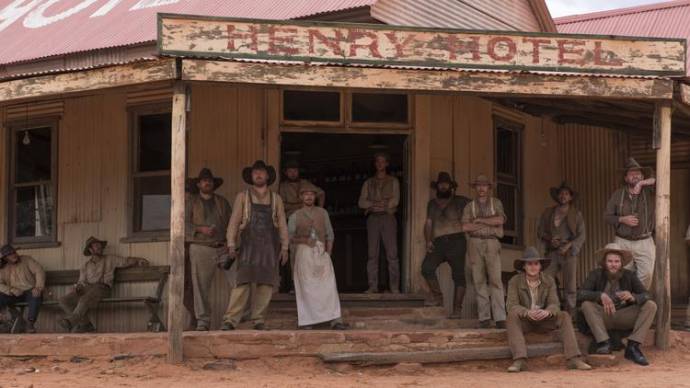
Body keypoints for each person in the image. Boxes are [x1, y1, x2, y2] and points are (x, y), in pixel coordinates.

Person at [223, 160, 289, 330]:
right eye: (255, 172)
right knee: (242, 283)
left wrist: (285, 247)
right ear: (251, 176)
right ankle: (230, 320)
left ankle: (258, 319)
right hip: (247, 246)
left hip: (269, 247)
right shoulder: (242, 196)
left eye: (261, 172)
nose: (258, 175)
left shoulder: (276, 199)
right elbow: (234, 223)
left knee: (266, 284)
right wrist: (231, 244)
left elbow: (282, 224)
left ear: (267, 176)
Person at [506, 247, 591, 372]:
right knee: (511, 316)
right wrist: (527, 312)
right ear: (524, 266)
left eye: (536, 263)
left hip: (544, 320)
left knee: (564, 315)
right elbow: (511, 305)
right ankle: (520, 360)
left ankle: (574, 359)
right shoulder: (515, 281)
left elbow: (554, 303)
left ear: (540, 266)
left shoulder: (549, 281)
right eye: (529, 264)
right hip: (526, 321)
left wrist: (547, 312)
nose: (533, 267)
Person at [578, 243, 657, 366]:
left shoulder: (629, 275)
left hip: (624, 316)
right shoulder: (596, 274)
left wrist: (633, 297)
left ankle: (633, 346)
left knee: (651, 305)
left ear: (621, 263)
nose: (613, 264)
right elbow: (581, 294)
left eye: (616, 261)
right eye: (610, 261)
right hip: (603, 317)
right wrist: (599, 295)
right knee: (586, 305)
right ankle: (604, 343)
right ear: (604, 262)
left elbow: (647, 295)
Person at [288, 182, 347, 330]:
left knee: (328, 285)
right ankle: (308, 321)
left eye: (311, 194)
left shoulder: (323, 212)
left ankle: (335, 319)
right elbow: (289, 238)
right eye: (305, 194)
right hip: (304, 252)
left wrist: (328, 253)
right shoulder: (295, 216)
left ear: (315, 196)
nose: (308, 196)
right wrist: (304, 240)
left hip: (321, 253)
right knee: (307, 287)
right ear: (301, 197)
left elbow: (330, 235)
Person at [59, 236, 149, 333]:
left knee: (84, 299)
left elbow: (126, 261)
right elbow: (81, 282)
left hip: (102, 288)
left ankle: (70, 322)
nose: (100, 247)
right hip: (87, 289)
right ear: (90, 249)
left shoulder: (110, 259)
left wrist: (139, 260)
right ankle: (85, 324)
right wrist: (76, 288)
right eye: (96, 246)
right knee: (63, 300)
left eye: (100, 246)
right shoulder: (85, 266)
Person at [185, 168, 232, 331]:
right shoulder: (190, 201)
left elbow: (232, 224)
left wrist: (231, 243)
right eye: (204, 180)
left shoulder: (222, 202)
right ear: (198, 184)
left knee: (238, 281)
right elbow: (180, 224)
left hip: (222, 247)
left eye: (210, 180)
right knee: (200, 287)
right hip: (200, 248)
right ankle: (203, 322)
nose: (207, 182)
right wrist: (200, 229)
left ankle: (233, 319)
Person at [421, 172, 470, 318]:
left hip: (457, 240)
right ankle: (438, 299)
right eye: (441, 184)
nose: (443, 186)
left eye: (446, 184)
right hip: (438, 242)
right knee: (427, 268)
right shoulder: (432, 203)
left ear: (451, 186)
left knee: (459, 275)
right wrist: (428, 240)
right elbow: (428, 223)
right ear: (437, 186)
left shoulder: (461, 201)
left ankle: (457, 310)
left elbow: (476, 208)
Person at [461, 174, 507, 329]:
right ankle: (484, 318)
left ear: (489, 187)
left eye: (484, 185)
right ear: (475, 187)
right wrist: (489, 223)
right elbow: (466, 227)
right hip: (475, 243)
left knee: (495, 280)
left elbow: (500, 220)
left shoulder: (496, 203)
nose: (481, 188)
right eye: (478, 185)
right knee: (479, 281)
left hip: (492, 242)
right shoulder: (469, 206)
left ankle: (500, 318)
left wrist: (480, 221)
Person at [604, 157, 656, 289]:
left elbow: (661, 180)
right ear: (626, 178)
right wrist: (622, 219)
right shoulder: (617, 194)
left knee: (647, 274)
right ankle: (628, 305)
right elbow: (607, 217)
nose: (635, 176)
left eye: (638, 173)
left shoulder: (649, 191)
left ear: (643, 176)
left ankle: (638, 300)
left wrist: (642, 184)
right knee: (624, 276)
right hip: (623, 241)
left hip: (645, 241)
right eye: (631, 173)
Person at [537, 182, 585, 315]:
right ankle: (549, 311)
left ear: (570, 197)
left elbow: (582, 235)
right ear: (557, 196)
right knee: (545, 279)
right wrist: (550, 240)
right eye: (561, 193)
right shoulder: (548, 212)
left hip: (569, 252)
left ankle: (571, 315)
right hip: (552, 252)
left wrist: (570, 245)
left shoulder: (576, 214)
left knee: (570, 286)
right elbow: (540, 231)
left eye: (566, 194)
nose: (563, 196)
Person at [278, 159, 325, 293]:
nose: (293, 173)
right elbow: (281, 205)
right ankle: (295, 284)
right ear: (286, 172)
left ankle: (313, 283)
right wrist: (298, 206)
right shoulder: (282, 187)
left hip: (308, 221)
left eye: (295, 170)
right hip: (290, 221)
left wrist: (318, 210)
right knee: (293, 252)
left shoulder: (305, 183)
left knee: (313, 250)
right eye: (290, 171)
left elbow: (321, 193)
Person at [358, 152, 400, 294]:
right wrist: (374, 205)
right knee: (372, 255)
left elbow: (396, 200)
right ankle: (372, 286)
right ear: (375, 164)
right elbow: (361, 202)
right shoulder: (368, 182)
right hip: (373, 219)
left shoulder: (393, 181)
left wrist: (381, 205)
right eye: (378, 162)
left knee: (392, 254)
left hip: (388, 218)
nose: (380, 164)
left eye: (383, 161)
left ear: (387, 163)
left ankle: (394, 287)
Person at [0, 245, 45, 333]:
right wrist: (10, 290)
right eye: (9, 254)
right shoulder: (3, 267)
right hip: (14, 292)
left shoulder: (27, 259)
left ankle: (30, 324)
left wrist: (38, 287)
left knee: (35, 295)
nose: (13, 255)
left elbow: (39, 271)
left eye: (14, 252)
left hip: (30, 290)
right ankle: (3, 322)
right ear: (5, 258)